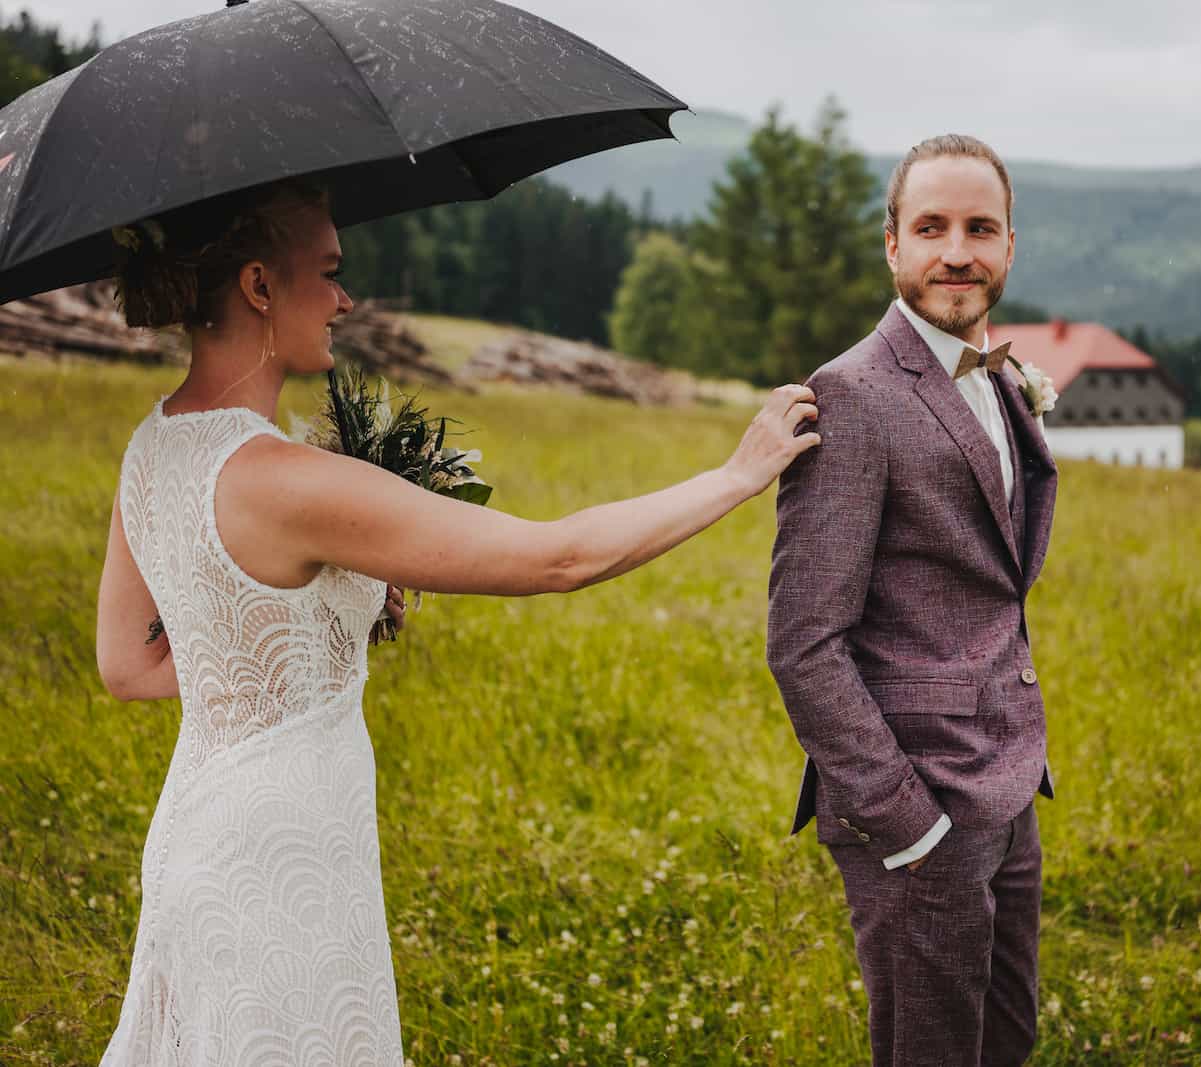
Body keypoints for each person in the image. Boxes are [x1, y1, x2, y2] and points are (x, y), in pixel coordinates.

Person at [93, 179, 819, 1064]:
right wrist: (737, 475)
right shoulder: (287, 479)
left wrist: (321, 629)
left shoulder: (156, 441)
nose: (344, 298)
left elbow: (128, 666)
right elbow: (559, 558)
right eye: (327, 272)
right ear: (257, 287)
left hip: (195, 834)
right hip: (284, 854)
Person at [767, 134, 1058, 1067]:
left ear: (1011, 245)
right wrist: (910, 826)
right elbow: (804, 642)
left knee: (1005, 1042)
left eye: (980, 228)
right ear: (891, 244)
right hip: (917, 807)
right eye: (930, 227)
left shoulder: (1004, 380)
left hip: (1009, 786)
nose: (957, 252)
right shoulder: (850, 395)